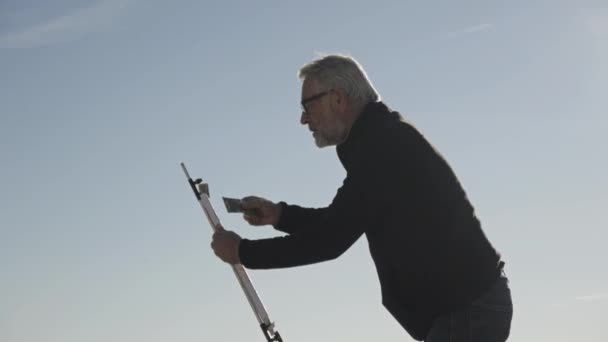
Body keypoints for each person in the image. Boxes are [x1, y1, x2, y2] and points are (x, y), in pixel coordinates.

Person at [210, 54, 513, 342]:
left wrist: (242, 252)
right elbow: (340, 220)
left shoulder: (382, 147)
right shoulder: (378, 141)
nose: (304, 119)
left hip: (469, 307)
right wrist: (279, 215)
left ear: (338, 98)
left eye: (308, 106)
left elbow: (329, 240)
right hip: (469, 306)